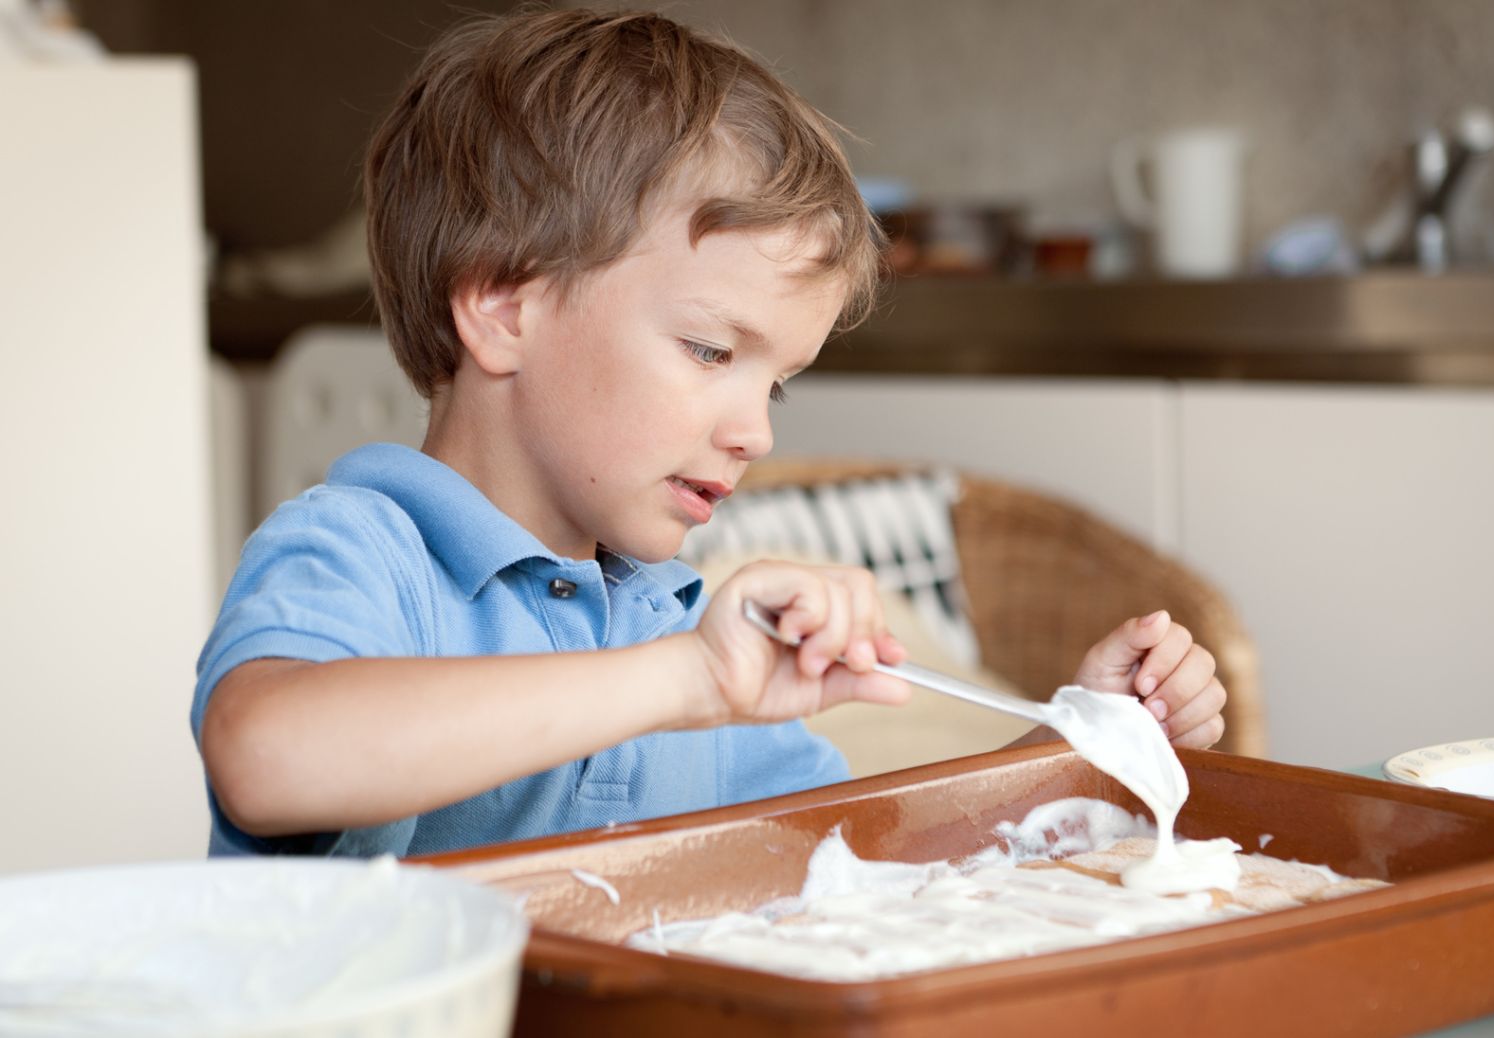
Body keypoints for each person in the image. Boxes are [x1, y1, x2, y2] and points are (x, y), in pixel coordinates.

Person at [191, 6, 1227, 858]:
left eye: (775, 385)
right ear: (504, 308)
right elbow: (266, 754)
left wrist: (1080, 750)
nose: (752, 433)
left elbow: (872, 862)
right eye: (706, 350)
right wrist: (683, 681)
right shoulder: (363, 551)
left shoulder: (680, 619)